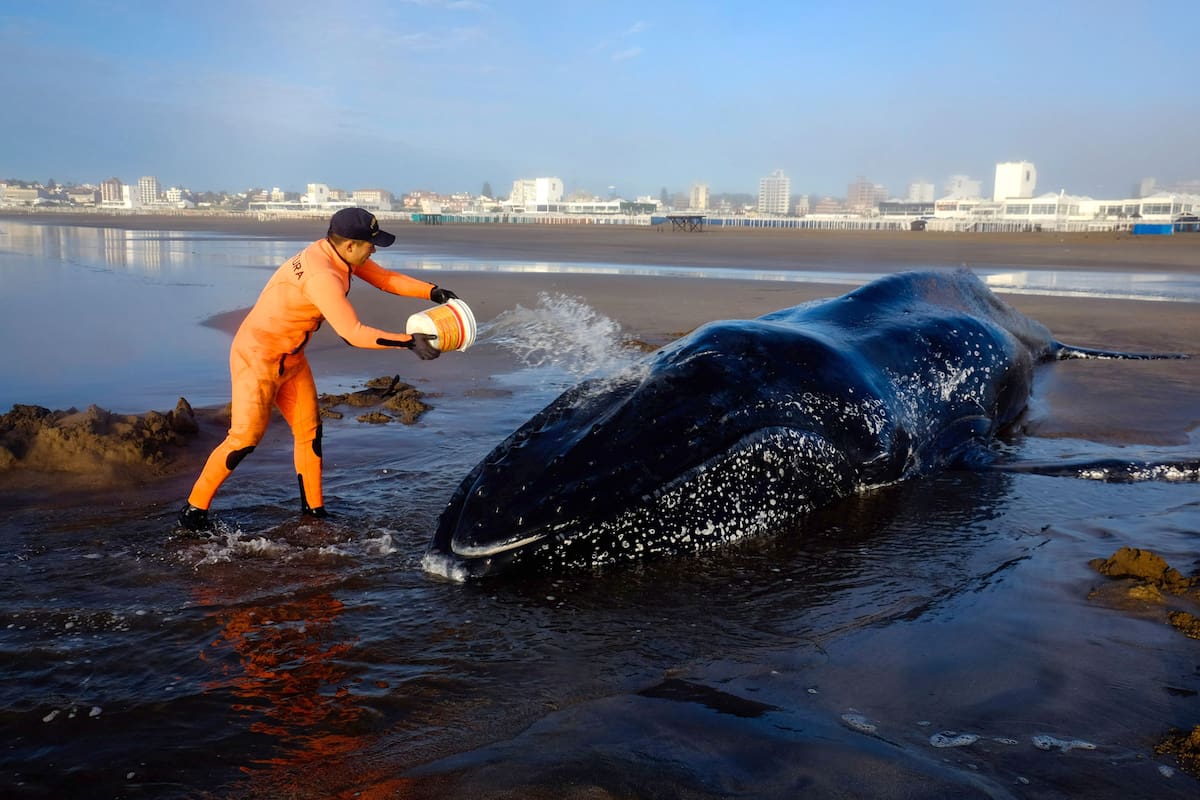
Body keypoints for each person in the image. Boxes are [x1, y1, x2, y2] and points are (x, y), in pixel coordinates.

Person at [177, 207, 458, 532]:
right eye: (371, 244)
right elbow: (352, 333)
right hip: (256, 356)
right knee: (244, 439)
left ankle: (313, 512)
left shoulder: (333, 252)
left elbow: (383, 279)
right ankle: (193, 511)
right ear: (351, 245)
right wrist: (409, 342)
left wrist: (432, 291)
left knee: (310, 431)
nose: (374, 249)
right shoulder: (322, 275)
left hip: (291, 358)